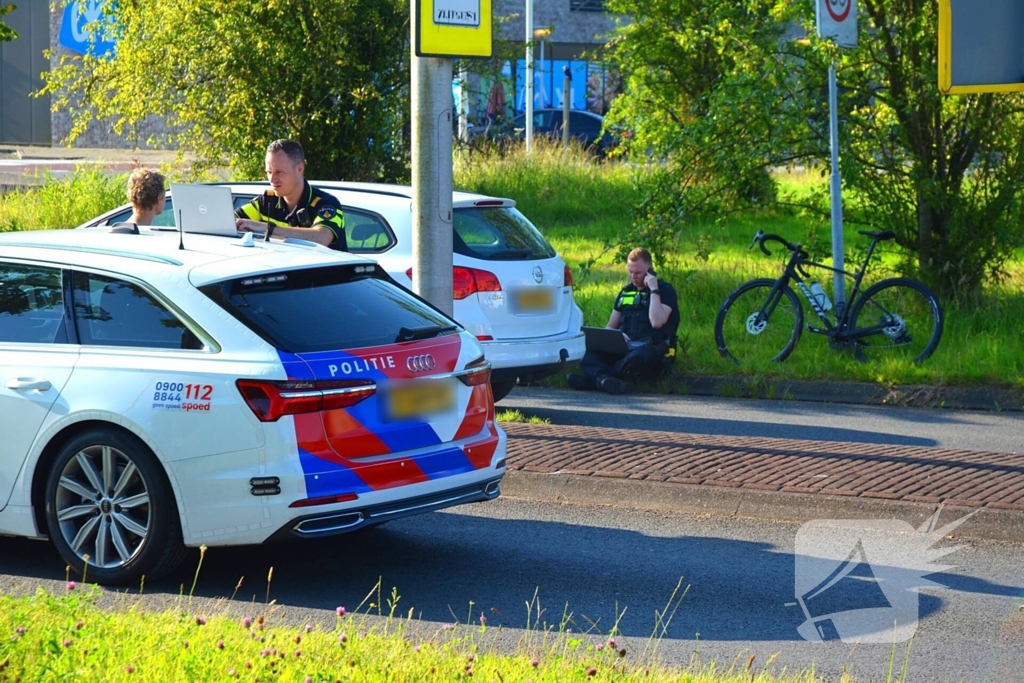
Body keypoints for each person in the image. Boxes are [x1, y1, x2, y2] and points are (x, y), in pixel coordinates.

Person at [567, 247, 680, 395]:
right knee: (582, 349)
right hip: (623, 346)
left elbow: (657, 321)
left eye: (638, 272)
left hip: (648, 349)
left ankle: (596, 379)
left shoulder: (664, 291)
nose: (633, 276)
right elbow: (610, 326)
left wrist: (653, 289)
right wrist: (615, 336)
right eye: (630, 272)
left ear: (650, 270)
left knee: (637, 357)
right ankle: (606, 380)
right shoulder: (626, 292)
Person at [234, 139, 347, 251]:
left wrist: (268, 229)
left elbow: (321, 238)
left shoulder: (326, 203)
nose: (272, 179)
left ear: (300, 168)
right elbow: (230, 222)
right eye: (269, 172)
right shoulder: (267, 200)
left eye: (279, 172)